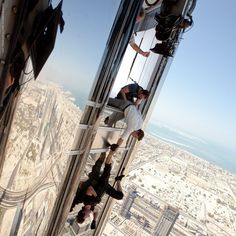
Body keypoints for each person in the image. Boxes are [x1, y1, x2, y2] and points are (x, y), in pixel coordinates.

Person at [70, 151, 124, 228]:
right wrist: (94, 220)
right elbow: (97, 211)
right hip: (105, 189)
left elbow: (90, 189)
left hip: (101, 183)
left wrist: (96, 197)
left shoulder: (86, 201)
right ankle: (118, 180)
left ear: (83, 212)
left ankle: (111, 152)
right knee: (120, 196)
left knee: (107, 168)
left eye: (86, 216)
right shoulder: (91, 208)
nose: (88, 215)